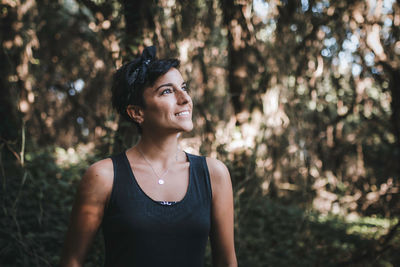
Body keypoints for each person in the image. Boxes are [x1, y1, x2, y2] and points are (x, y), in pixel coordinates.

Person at [60, 46, 237, 267]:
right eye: (167, 91)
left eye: (184, 88)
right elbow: (72, 261)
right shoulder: (104, 176)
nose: (185, 99)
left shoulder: (213, 174)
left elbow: (227, 262)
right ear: (137, 112)